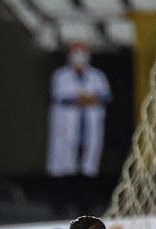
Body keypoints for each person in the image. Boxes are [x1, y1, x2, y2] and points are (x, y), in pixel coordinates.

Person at [46, 42, 111, 216]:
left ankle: (86, 207)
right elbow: (64, 98)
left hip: (89, 129)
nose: (79, 58)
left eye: (82, 54)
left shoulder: (97, 76)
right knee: (64, 167)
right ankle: (61, 207)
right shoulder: (61, 76)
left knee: (88, 168)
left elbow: (105, 96)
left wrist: (86, 99)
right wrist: (87, 99)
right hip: (67, 129)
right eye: (75, 54)